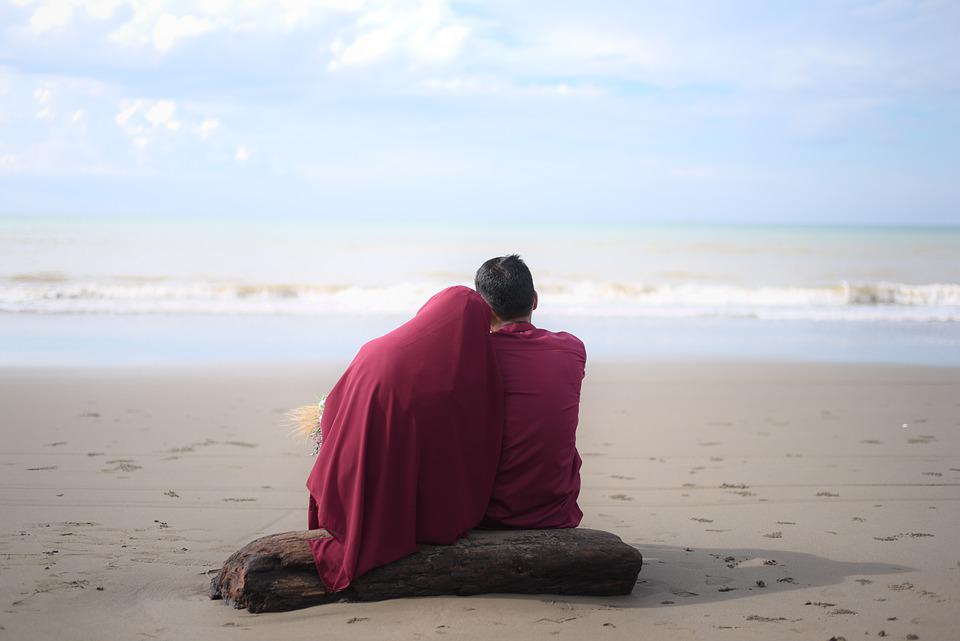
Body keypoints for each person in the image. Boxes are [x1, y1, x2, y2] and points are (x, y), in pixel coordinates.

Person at [305, 286, 504, 592]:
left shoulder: (374, 348)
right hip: (401, 501)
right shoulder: (456, 381)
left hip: (346, 486)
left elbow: (333, 408)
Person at [475, 255, 586, 529]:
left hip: (488, 514)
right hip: (555, 511)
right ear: (535, 299)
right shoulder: (571, 349)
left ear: (483, 309)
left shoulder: (474, 355)